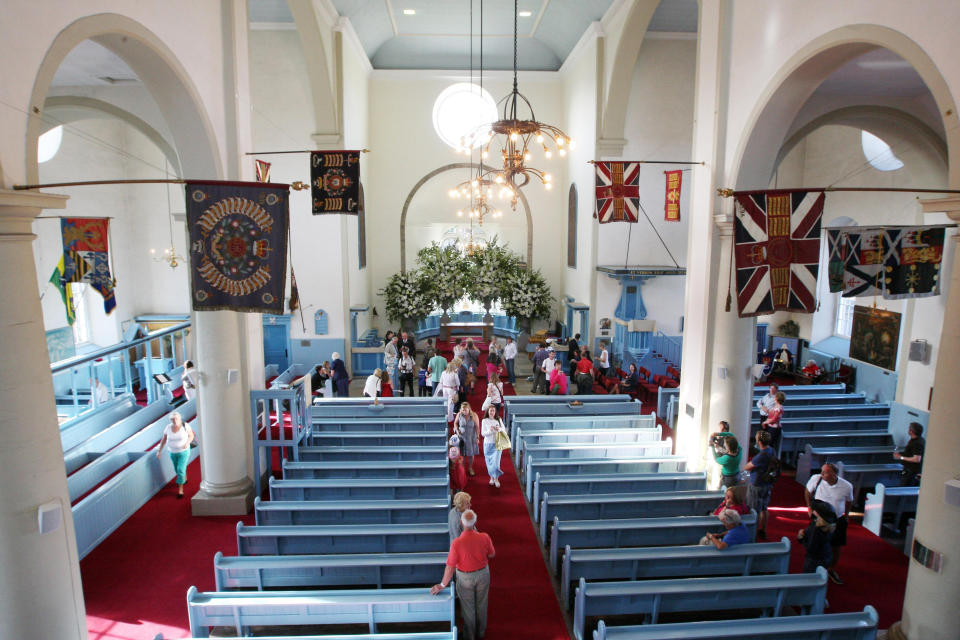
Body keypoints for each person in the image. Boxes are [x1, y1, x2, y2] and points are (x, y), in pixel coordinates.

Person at [431, 509, 495, 640]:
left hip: (465, 577)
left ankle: (470, 636)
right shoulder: (484, 537)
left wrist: (442, 585)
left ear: (461, 523)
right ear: (475, 522)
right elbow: (492, 554)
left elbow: (450, 567)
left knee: (468, 608)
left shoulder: (456, 543)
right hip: (483, 574)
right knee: (482, 604)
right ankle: (481, 633)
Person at [804, 462, 854, 585]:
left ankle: (831, 569)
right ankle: (813, 569)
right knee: (815, 544)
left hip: (837, 519)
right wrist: (809, 507)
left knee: (836, 545)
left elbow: (849, 501)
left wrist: (846, 516)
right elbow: (807, 492)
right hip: (819, 519)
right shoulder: (816, 479)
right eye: (822, 471)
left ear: (833, 474)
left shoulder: (846, 486)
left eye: (825, 472)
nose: (821, 474)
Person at [744, 430, 776, 540]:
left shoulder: (761, 456)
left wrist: (749, 463)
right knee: (764, 508)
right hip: (768, 483)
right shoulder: (772, 450)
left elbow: (747, 467)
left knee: (754, 509)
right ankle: (762, 530)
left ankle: (753, 532)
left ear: (759, 441)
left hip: (757, 484)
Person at [156, 411, 195, 498]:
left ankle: (180, 490)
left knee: (180, 469)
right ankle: (183, 477)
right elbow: (164, 440)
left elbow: (191, 436)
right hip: (172, 452)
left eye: (176, 419)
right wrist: (159, 451)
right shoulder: (168, 427)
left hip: (184, 451)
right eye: (172, 419)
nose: (174, 421)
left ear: (179, 418)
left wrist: (187, 443)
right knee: (177, 469)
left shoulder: (185, 425)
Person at [798, 499, 837, 573]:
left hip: (814, 560)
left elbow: (811, 548)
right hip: (827, 555)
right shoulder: (829, 524)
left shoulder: (816, 529)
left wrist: (802, 538)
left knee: (809, 579)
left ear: (815, 513)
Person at [710, 421, 742, 488]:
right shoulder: (740, 450)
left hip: (728, 478)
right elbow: (731, 435)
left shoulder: (727, 458)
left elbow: (716, 459)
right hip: (737, 474)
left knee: (725, 491)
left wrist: (712, 447)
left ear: (728, 447)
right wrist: (718, 434)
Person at [481, 405, 506, 488]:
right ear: (488, 411)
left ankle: (496, 479)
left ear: (495, 412)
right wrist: (490, 430)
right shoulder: (485, 421)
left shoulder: (498, 419)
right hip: (488, 444)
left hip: (497, 444)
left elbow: (504, 430)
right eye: (490, 410)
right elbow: (483, 434)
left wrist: (499, 429)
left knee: (496, 463)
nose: (492, 412)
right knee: (489, 462)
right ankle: (491, 477)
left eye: (493, 411)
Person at [455, 402, 481, 476]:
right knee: (462, 454)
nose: (464, 412)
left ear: (469, 409)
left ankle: (470, 468)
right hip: (462, 437)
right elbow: (455, 423)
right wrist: (457, 430)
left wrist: (477, 437)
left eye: (466, 410)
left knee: (471, 454)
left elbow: (477, 427)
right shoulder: (459, 415)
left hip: (471, 437)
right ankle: (462, 468)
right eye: (463, 410)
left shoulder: (474, 415)